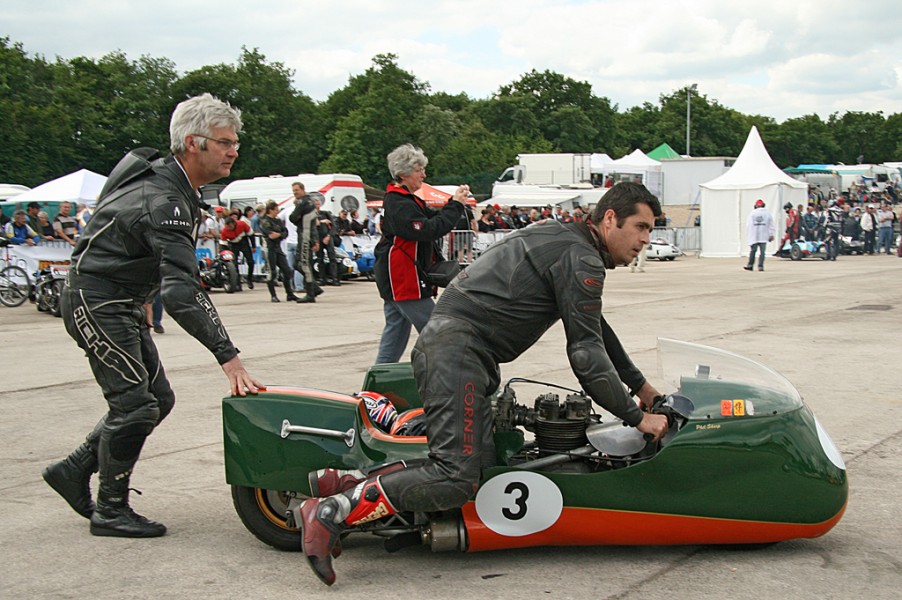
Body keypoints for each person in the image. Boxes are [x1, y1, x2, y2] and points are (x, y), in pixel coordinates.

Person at [298, 182, 670, 586]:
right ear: (611, 218)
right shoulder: (581, 256)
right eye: (641, 227)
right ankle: (332, 510)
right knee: (456, 478)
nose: (646, 240)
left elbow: (593, 326)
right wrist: (636, 417)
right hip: (458, 352)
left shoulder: (566, 238)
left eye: (651, 231)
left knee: (479, 465)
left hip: (459, 351)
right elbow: (585, 355)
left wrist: (642, 387)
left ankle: (349, 483)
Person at [43, 93, 261, 539]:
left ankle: (73, 470)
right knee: (135, 405)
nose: (233, 150)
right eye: (224, 142)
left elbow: (119, 230)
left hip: (118, 298)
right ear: (192, 143)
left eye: (234, 142)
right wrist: (229, 357)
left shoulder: (168, 182)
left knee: (156, 399)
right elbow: (182, 291)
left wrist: (141, 295)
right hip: (96, 299)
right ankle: (110, 508)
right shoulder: (167, 200)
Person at [372, 143, 468, 365]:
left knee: (394, 335)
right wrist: (455, 205)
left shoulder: (402, 200)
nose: (423, 174)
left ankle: (377, 387)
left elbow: (433, 220)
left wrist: (454, 203)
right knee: (438, 333)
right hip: (404, 280)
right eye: (418, 170)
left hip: (398, 279)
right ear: (403, 173)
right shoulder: (400, 203)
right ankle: (462, 378)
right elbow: (429, 229)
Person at [260, 200, 301, 303]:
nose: (277, 211)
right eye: (276, 209)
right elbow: (271, 235)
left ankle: (289, 294)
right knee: (272, 272)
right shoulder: (265, 222)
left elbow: (285, 232)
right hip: (269, 249)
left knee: (287, 271)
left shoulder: (277, 220)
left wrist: (279, 234)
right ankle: (273, 295)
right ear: (271, 210)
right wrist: (279, 234)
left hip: (278, 248)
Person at [288, 182, 319, 303]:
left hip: (305, 235)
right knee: (298, 263)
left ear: (302, 189)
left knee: (304, 264)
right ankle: (314, 287)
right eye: (293, 191)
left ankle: (311, 293)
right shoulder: (310, 201)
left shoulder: (303, 202)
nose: (295, 193)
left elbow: (293, 217)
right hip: (306, 234)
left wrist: (298, 218)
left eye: (296, 190)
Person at [219, 215, 255, 288]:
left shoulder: (242, 224)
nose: (228, 228)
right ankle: (237, 283)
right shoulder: (224, 230)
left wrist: (253, 246)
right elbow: (223, 244)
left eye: (230, 226)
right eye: (227, 227)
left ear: (233, 223)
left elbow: (251, 235)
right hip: (233, 244)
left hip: (244, 242)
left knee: (250, 261)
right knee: (234, 264)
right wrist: (224, 253)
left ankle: (249, 279)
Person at [744, 199, 775, 271]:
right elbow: (771, 225)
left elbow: (748, 225)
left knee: (753, 251)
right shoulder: (768, 213)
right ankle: (760, 266)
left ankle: (750, 265)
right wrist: (771, 234)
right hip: (763, 235)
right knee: (762, 252)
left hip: (754, 235)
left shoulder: (752, 213)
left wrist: (749, 235)